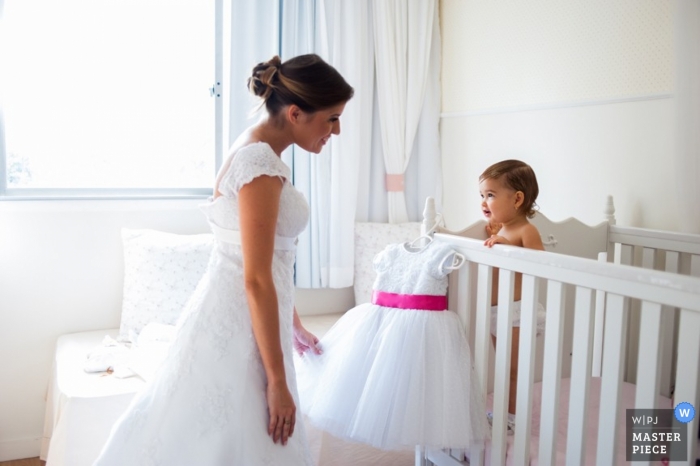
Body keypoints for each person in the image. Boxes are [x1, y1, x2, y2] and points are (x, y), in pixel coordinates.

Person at [94, 53, 354, 465]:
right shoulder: (260, 165)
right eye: (332, 118)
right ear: (295, 112)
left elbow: (267, 263)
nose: (337, 130)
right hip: (240, 321)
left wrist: (294, 323)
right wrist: (277, 382)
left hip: (244, 313)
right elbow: (255, 278)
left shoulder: (257, 149)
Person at [295, 236, 491, 451]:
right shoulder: (390, 253)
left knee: (415, 383)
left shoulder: (441, 255)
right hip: (380, 320)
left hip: (421, 326)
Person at [479, 159, 545, 433]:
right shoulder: (503, 228)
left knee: (514, 371)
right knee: (503, 368)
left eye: (490, 195)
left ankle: (514, 419)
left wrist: (510, 247)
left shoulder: (525, 230)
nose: (484, 201)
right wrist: (497, 234)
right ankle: (505, 413)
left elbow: (540, 261)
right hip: (498, 313)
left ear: (517, 199)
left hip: (519, 313)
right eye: (482, 195)